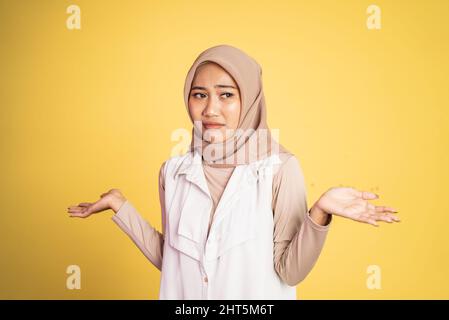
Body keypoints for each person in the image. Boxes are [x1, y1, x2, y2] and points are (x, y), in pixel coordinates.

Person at [67, 45, 400, 299]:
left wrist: (320, 212)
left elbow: (290, 270)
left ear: (250, 99)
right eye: (200, 95)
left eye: (226, 95)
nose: (210, 109)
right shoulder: (173, 172)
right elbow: (174, 261)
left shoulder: (278, 169)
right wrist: (121, 207)